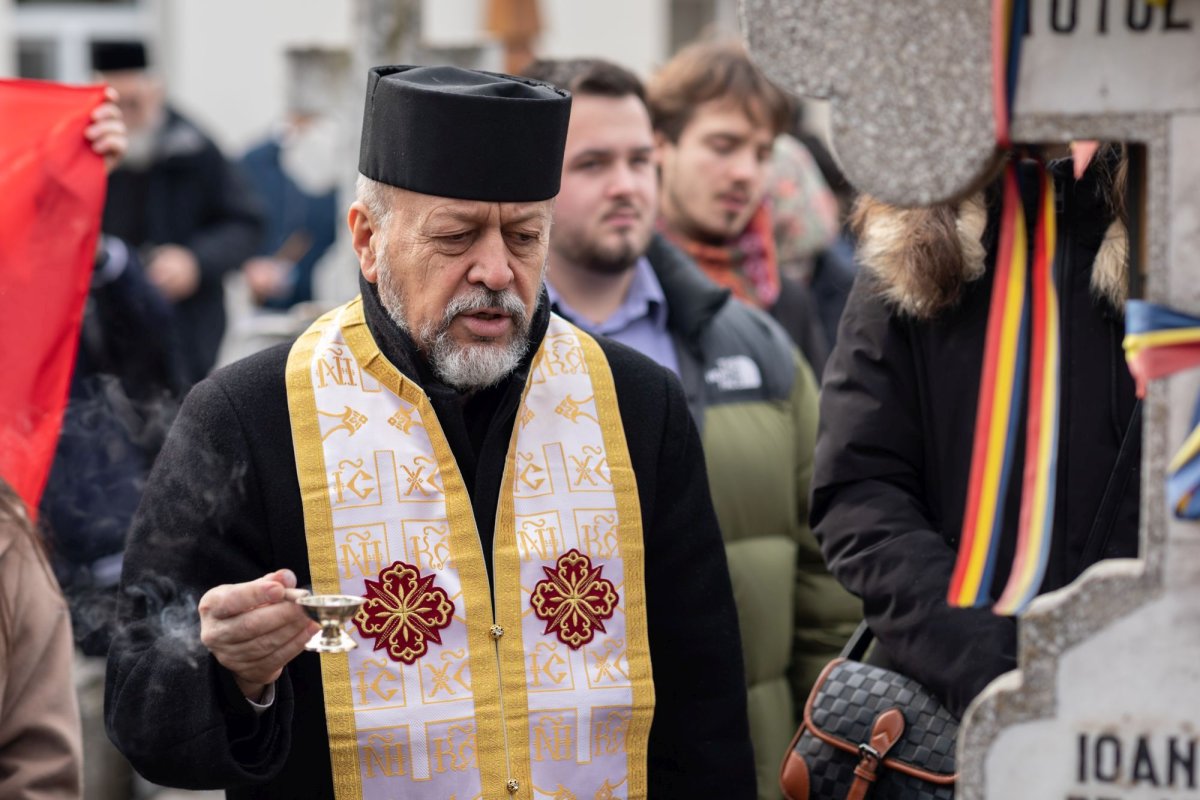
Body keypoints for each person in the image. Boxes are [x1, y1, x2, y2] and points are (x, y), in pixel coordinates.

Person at [105, 64, 756, 799]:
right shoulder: (248, 415)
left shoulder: (637, 404)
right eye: (455, 236)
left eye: (524, 236)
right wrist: (233, 674)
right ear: (368, 239)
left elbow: (705, 713)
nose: (496, 271)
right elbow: (141, 709)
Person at [519, 57, 860, 799]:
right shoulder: (486, 356)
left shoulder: (755, 346)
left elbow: (825, 582)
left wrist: (821, 756)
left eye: (640, 160)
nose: (626, 184)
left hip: (740, 760)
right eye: (592, 164)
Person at [810, 150, 1137, 718]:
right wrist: (997, 678)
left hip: (1152, 707)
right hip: (959, 708)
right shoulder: (910, 245)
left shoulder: (1177, 245)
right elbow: (861, 491)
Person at [647, 38, 830, 375]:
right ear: (660, 144)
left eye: (762, 154)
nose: (746, 173)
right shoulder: (627, 286)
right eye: (723, 146)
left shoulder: (786, 300)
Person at [92, 40, 263, 386]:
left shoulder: (195, 147)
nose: (124, 116)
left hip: (186, 331)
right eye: (113, 106)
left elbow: (246, 223)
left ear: (156, 92)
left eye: (132, 104)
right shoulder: (87, 150)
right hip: (108, 331)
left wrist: (195, 261)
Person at [239, 47, 343, 311]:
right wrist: (251, 264)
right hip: (263, 299)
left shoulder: (338, 156)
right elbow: (235, 221)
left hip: (319, 293)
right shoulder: (253, 161)